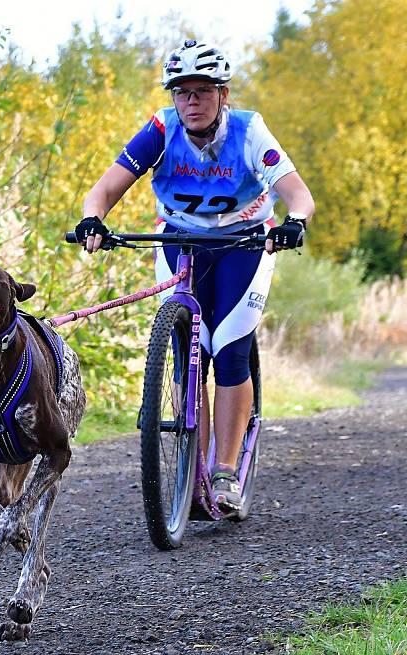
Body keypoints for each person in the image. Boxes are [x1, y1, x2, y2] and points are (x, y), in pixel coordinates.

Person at [74, 39, 315, 512]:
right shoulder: (161, 130)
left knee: (227, 351)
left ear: (223, 94)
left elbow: (299, 196)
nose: (192, 101)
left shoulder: (249, 131)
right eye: (182, 92)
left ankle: (224, 471)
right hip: (181, 240)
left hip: (242, 244)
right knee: (190, 352)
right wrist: (93, 220)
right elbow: (102, 191)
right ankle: (195, 468)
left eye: (203, 91)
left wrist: (294, 224)